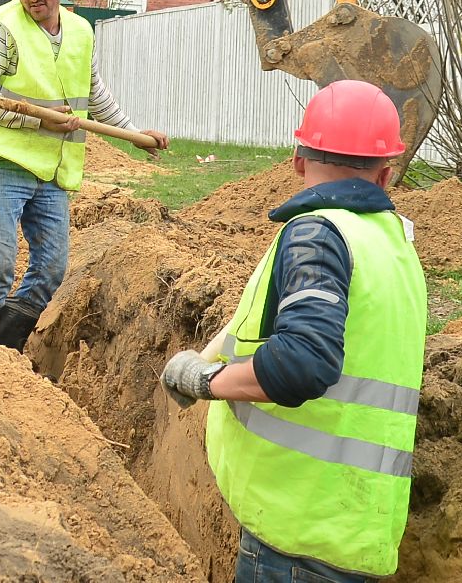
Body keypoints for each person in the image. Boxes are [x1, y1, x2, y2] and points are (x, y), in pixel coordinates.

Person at [159, 80, 427, 581]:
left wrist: (206, 380)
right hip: (354, 527)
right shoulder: (394, 246)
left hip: (296, 533)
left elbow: (302, 362)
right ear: (386, 174)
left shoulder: (317, 235)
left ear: (298, 160)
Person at [0, 0, 169, 352]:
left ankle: (6, 349)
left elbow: (92, 91)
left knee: (51, 268)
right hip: (3, 162)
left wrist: (133, 134)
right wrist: (39, 121)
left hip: (50, 169)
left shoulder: (81, 31)